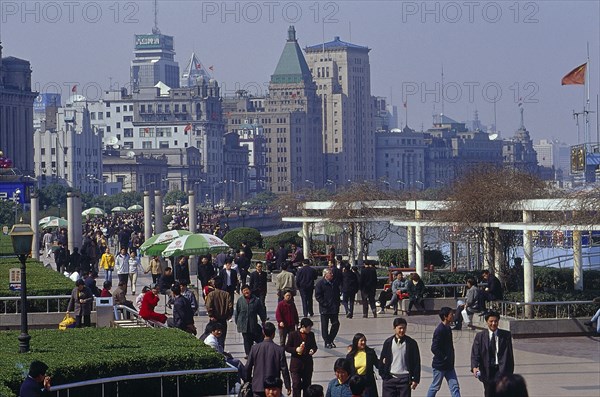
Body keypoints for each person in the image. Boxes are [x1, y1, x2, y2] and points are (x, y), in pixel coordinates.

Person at [471, 311, 514, 397]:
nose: (493, 324)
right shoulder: (480, 336)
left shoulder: (506, 335)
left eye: (496, 321)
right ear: (487, 322)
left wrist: (510, 372)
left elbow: (509, 355)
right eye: (491, 321)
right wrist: (474, 367)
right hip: (487, 370)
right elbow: (475, 353)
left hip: (501, 369)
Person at [245, 322, 292, 397]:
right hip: (273, 388)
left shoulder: (255, 348)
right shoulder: (279, 350)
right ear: (273, 334)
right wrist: (288, 385)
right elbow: (284, 369)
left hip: (257, 386)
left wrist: (248, 381)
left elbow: (248, 367)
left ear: (263, 332)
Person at [379, 317, 421, 397]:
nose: (402, 330)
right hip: (390, 379)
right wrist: (384, 376)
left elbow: (416, 362)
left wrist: (415, 379)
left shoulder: (411, 343)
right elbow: (382, 360)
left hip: (404, 381)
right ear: (394, 328)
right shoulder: (388, 342)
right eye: (400, 328)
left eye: (404, 328)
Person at [426, 307, 461, 397]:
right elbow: (434, 348)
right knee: (435, 386)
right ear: (445, 316)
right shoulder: (440, 330)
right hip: (440, 366)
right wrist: (444, 357)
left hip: (449, 365)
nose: (453, 316)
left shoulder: (448, 328)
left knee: (455, 387)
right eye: (451, 314)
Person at [285, 318, 318, 397]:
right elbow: (287, 347)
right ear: (303, 326)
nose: (309, 329)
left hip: (307, 365)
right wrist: (296, 349)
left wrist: (313, 350)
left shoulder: (311, 335)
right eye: (308, 327)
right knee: (296, 384)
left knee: (307, 385)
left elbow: (314, 346)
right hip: (296, 365)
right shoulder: (293, 334)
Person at [235, 284, 267, 357]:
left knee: (257, 338)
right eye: (244, 290)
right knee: (246, 340)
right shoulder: (240, 301)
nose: (246, 292)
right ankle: (248, 354)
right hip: (243, 324)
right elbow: (237, 313)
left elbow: (261, 311)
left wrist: (263, 320)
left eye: (247, 290)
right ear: (242, 292)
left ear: (250, 291)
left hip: (253, 323)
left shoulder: (256, 300)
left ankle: (259, 352)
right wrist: (238, 323)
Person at [346, 333, 380, 397]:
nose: (363, 342)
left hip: (368, 383)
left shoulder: (370, 353)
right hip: (356, 383)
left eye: (364, 340)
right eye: (361, 341)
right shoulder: (350, 355)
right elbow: (347, 370)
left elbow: (377, 364)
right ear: (356, 342)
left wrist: (384, 363)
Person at [205, 276, 234, 348]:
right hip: (223, 319)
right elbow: (230, 306)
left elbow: (208, 306)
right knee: (222, 338)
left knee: (213, 336)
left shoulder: (211, 294)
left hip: (214, 319)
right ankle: (221, 351)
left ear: (214, 285)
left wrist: (211, 315)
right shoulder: (226, 294)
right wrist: (229, 315)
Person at [315, 269, 341, 348]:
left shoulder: (334, 283)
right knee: (324, 326)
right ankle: (327, 342)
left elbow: (337, 293)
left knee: (336, 324)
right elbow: (318, 296)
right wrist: (325, 303)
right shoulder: (320, 284)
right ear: (325, 275)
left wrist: (338, 303)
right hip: (325, 309)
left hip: (334, 308)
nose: (332, 275)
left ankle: (330, 339)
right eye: (330, 273)